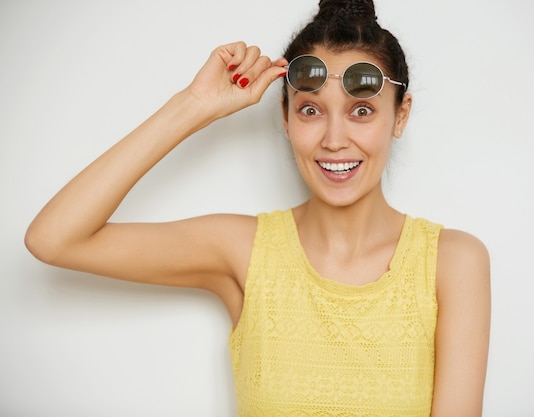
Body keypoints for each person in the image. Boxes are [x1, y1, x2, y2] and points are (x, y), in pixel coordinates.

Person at [24, 0, 490, 415]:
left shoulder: (452, 262)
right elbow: (53, 239)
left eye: (361, 111)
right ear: (285, 117)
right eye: (310, 109)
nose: (333, 139)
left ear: (400, 115)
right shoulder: (244, 251)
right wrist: (194, 104)